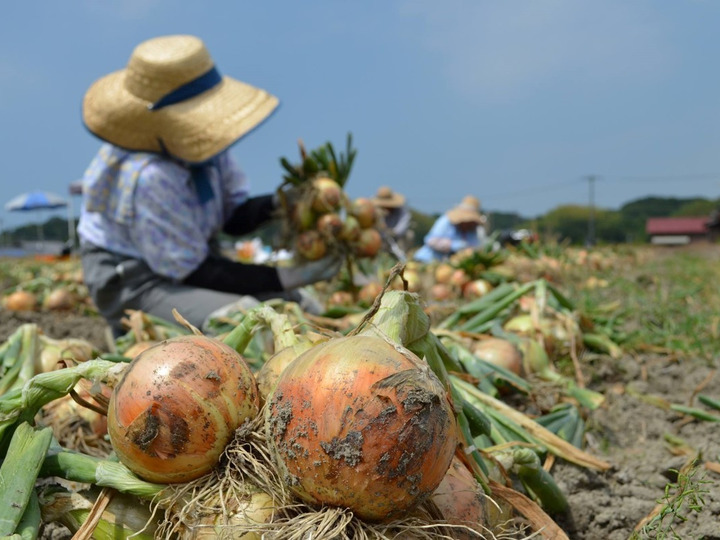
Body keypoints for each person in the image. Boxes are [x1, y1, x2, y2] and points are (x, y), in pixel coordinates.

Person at [77, 35, 341, 336]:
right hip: (136, 282)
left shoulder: (204, 148)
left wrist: (286, 202)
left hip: (193, 267)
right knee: (242, 322)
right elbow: (197, 271)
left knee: (297, 307)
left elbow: (232, 218)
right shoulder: (151, 177)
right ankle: (129, 333)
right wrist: (286, 277)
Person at [413, 195, 487, 262]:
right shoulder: (446, 221)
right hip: (426, 260)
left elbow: (474, 247)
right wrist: (456, 245)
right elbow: (430, 240)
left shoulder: (472, 230)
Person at [371, 186, 413, 257]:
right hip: (381, 239)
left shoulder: (401, 212)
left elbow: (403, 225)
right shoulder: (375, 213)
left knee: (409, 235)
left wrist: (393, 232)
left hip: (397, 238)